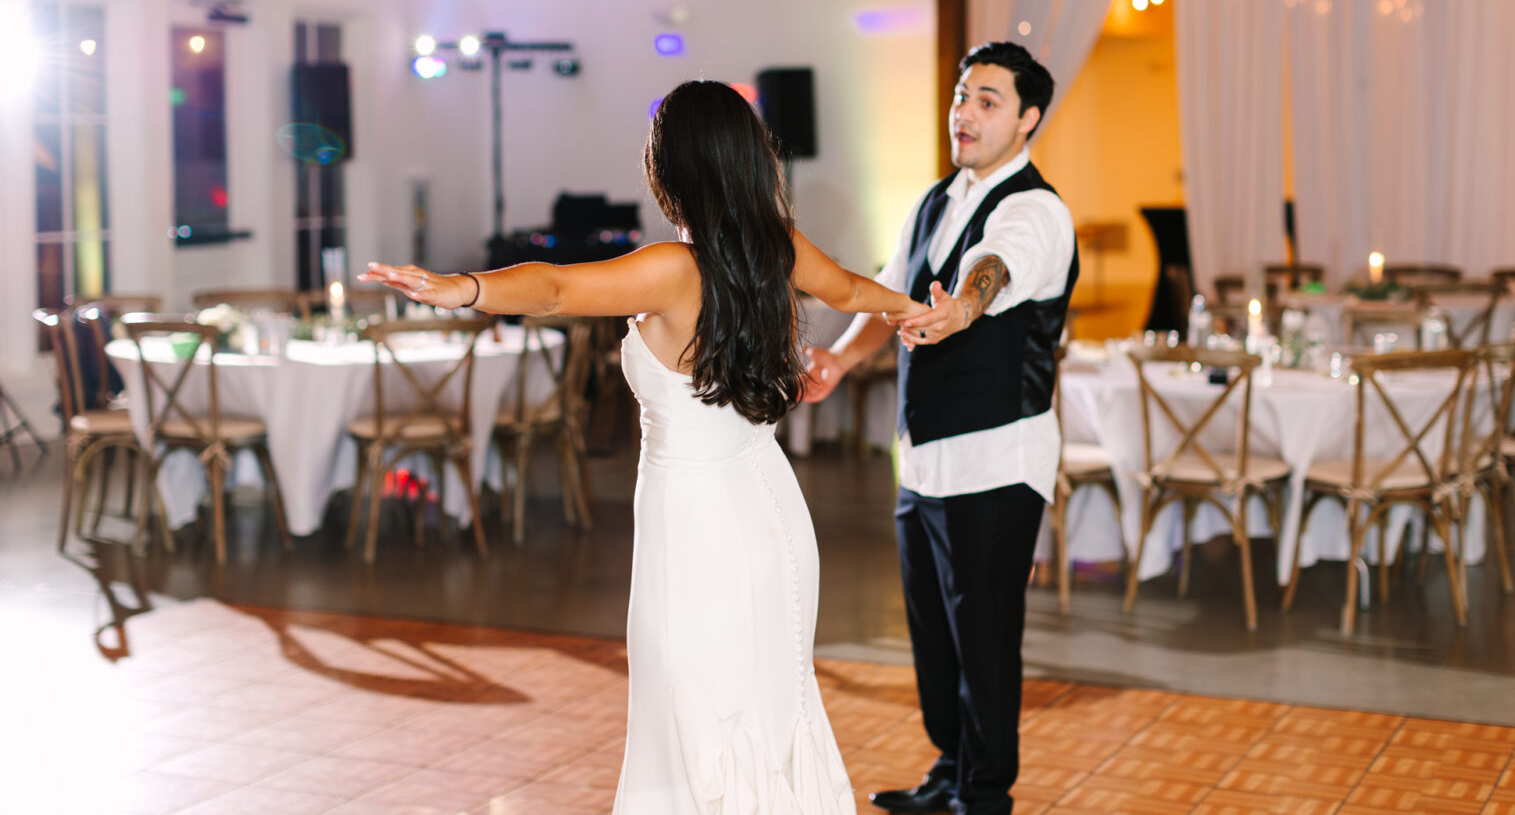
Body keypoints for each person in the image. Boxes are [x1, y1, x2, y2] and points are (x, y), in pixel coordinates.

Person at [362, 79, 926, 815]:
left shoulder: (672, 269)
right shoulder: (773, 249)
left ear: (671, 168)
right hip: (773, 513)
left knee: (695, 709)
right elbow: (852, 291)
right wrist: (916, 308)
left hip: (698, 524)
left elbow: (558, 292)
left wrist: (464, 288)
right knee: (768, 700)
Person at [803, 42, 1077, 815]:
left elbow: (995, 267)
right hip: (923, 461)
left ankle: (984, 796)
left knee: (984, 638)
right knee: (934, 636)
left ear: (1027, 120)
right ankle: (952, 769)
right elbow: (891, 293)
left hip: (996, 462)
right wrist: (841, 363)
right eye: (963, 96)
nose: (965, 113)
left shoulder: (1037, 210)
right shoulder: (933, 200)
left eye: (988, 101)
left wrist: (962, 305)